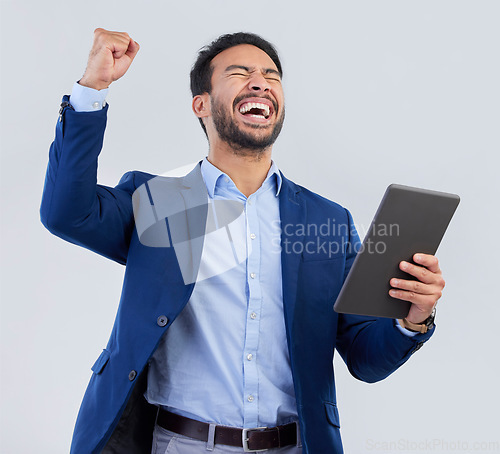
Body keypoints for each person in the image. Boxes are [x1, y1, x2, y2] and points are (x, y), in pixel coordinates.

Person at [40, 28, 446, 454]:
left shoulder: (327, 221)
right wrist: (92, 89)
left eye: (271, 75)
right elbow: (66, 212)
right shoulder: (157, 202)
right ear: (201, 105)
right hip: (181, 445)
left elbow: (365, 358)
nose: (260, 81)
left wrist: (413, 318)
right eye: (240, 72)